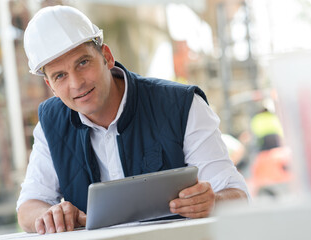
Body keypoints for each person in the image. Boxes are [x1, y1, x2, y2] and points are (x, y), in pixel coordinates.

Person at [17, 5, 249, 234]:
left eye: (83, 62)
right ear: (51, 86)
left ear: (106, 56)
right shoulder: (51, 125)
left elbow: (237, 196)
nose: (76, 83)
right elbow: (28, 208)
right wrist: (48, 215)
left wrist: (213, 202)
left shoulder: (182, 106)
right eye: (60, 76)